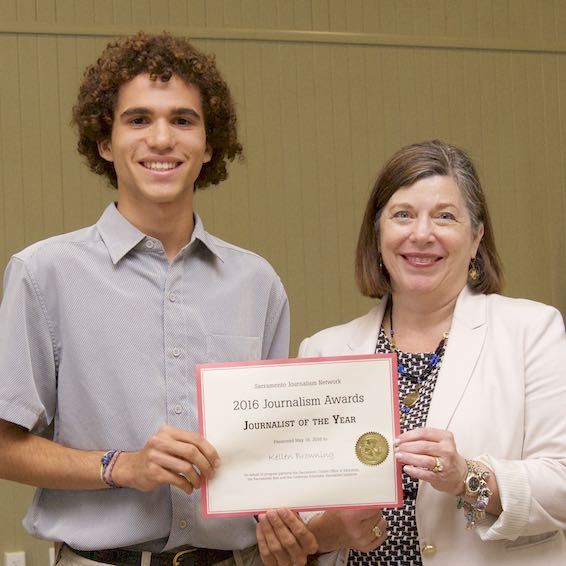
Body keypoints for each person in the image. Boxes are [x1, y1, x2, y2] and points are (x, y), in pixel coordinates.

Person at [0, 32, 293, 565]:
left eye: (183, 120)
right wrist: (123, 467)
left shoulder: (258, 283)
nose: (162, 139)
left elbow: (272, 452)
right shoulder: (43, 274)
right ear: (104, 142)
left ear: (209, 144)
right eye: (138, 120)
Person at [295, 140, 566, 565]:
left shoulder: (532, 331)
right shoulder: (323, 351)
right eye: (403, 215)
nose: (421, 234)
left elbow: (563, 484)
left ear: (476, 237)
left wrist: (467, 478)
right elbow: (300, 505)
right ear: (378, 233)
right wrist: (326, 529)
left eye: (445, 216)